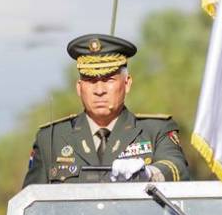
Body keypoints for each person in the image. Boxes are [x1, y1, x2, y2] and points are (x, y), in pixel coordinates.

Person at [23, 34, 190, 186]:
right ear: (79, 88)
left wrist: (149, 174)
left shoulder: (155, 131)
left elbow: (177, 169)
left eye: (108, 79)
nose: (99, 90)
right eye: (90, 80)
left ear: (127, 83)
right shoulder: (52, 139)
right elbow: (31, 202)